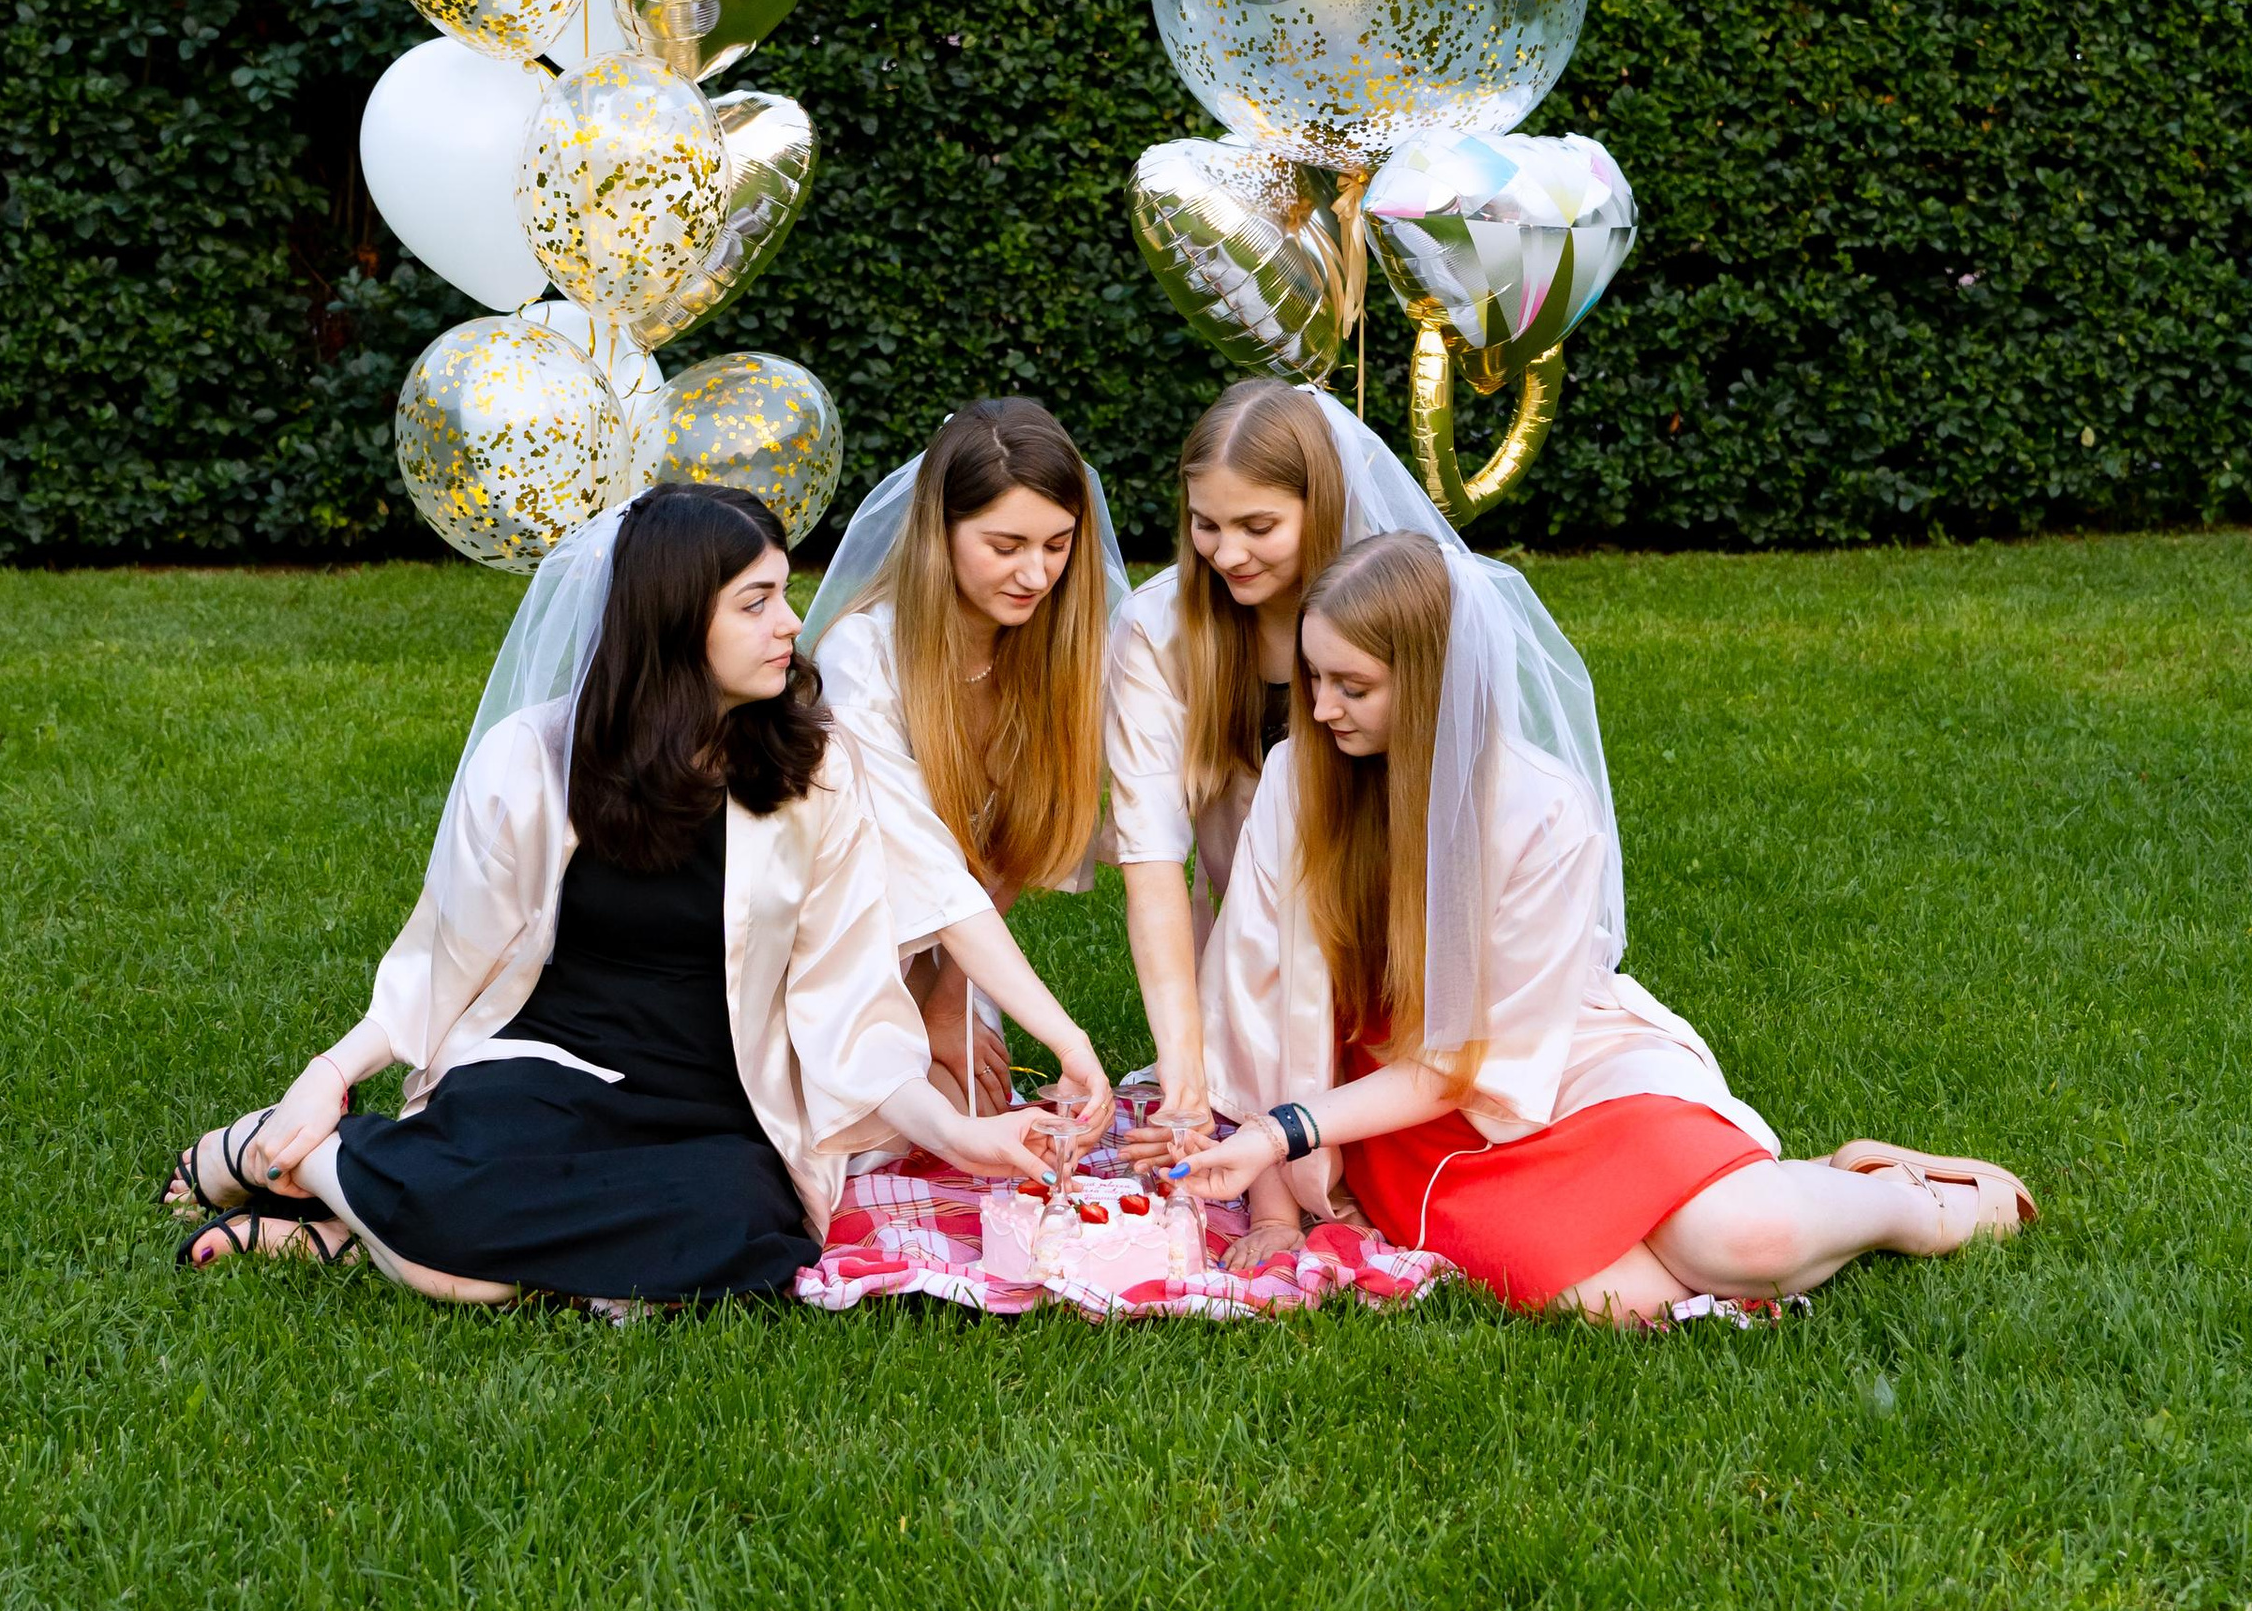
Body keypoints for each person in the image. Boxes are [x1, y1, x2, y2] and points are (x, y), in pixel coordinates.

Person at [163, 487, 1054, 1304]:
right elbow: (444, 957)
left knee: (743, 1234)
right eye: (755, 603)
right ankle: (300, 1151)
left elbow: (847, 1007)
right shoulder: (534, 759)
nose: (790, 623)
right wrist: (330, 1075)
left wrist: (956, 1134)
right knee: (476, 1243)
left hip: (712, 1103)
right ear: (674, 619)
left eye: (784, 593)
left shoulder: (813, 773)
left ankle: (339, 1213)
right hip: (544, 1069)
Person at [1175, 529, 2033, 1322]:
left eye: (1353, 687)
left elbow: (1469, 1062)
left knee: (1748, 1245)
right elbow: (1258, 994)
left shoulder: (1541, 810)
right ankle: (1779, 1192)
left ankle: (1911, 1204)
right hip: (1395, 1119)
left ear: (1435, 684)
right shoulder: (1297, 781)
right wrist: (1275, 1206)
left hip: (1549, 1067)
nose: (1322, 708)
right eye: (1313, 678)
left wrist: (1279, 1133)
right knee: (1619, 1303)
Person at [1106, 377, 1491, 1141]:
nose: (1228, 553)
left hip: (1399, 949)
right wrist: (1185, 1067)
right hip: (1260, 957)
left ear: (1323, 506)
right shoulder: (1156, 628)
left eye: (1259, 526)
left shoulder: (1399, 606)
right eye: (1206, 525)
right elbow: (1150, 857)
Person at [801, 397, 1121, 1135]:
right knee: (883, 1134)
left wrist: (949, 1004)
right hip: (848, 942)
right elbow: (916, 866)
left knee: (972, 1109)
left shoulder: (1061, 652)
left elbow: (1013, 846)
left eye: (1057, 544)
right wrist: (1065, 1037)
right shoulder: (865, 656)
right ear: (938, 533)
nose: (1036, 574)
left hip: (959, 949)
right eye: (1005, 546)